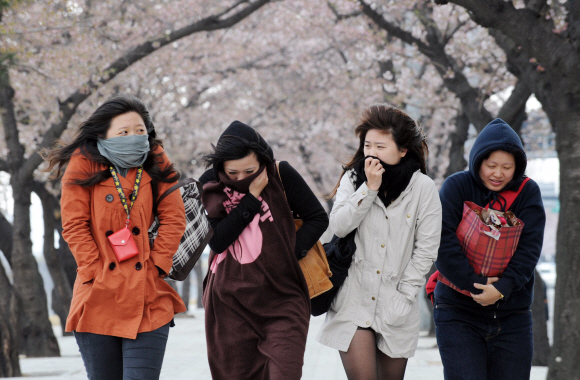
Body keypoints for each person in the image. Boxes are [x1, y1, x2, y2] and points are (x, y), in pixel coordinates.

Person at [46, 95, 187, 380]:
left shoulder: (155, 158)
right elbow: (74, 225)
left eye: (139, 131)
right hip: (98, 293)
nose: (133, 137)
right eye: (123, 132)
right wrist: (92, 270)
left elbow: (175, 218)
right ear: (103, 134)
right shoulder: (83, 162)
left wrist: (158, 265)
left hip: (147, 294)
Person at [317, 104, 442, 380]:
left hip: (396, 304)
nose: (371, 153)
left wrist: (405, 295)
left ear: (403, 150)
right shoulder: (353, 178)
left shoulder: (423, 188)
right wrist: (369, 188)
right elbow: (338, 225)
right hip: (353, 301)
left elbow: (427, 248)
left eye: (381, 147)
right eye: (368, 145)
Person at [199, 121, 328, 380]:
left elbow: (318, 217)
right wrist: (252, 198)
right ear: (220, 168)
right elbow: (218, 241)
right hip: (229, 301)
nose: (241, 178)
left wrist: (288, 254)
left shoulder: (281, 175)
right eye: (232, 173)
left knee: (285, 371)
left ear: (263, 161)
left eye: (250, 170)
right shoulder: (210, 185)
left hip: (283, 298)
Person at [433, 118, 546, 380]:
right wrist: (476, 286)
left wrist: (502, 288)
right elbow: (441, 242)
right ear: (477, 161)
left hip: (512, 316)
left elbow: (530, 248)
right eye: (491, 165)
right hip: (457, 313)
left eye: (507, 167)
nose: (498, 173)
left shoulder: (528, 193)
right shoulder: (456, 186)